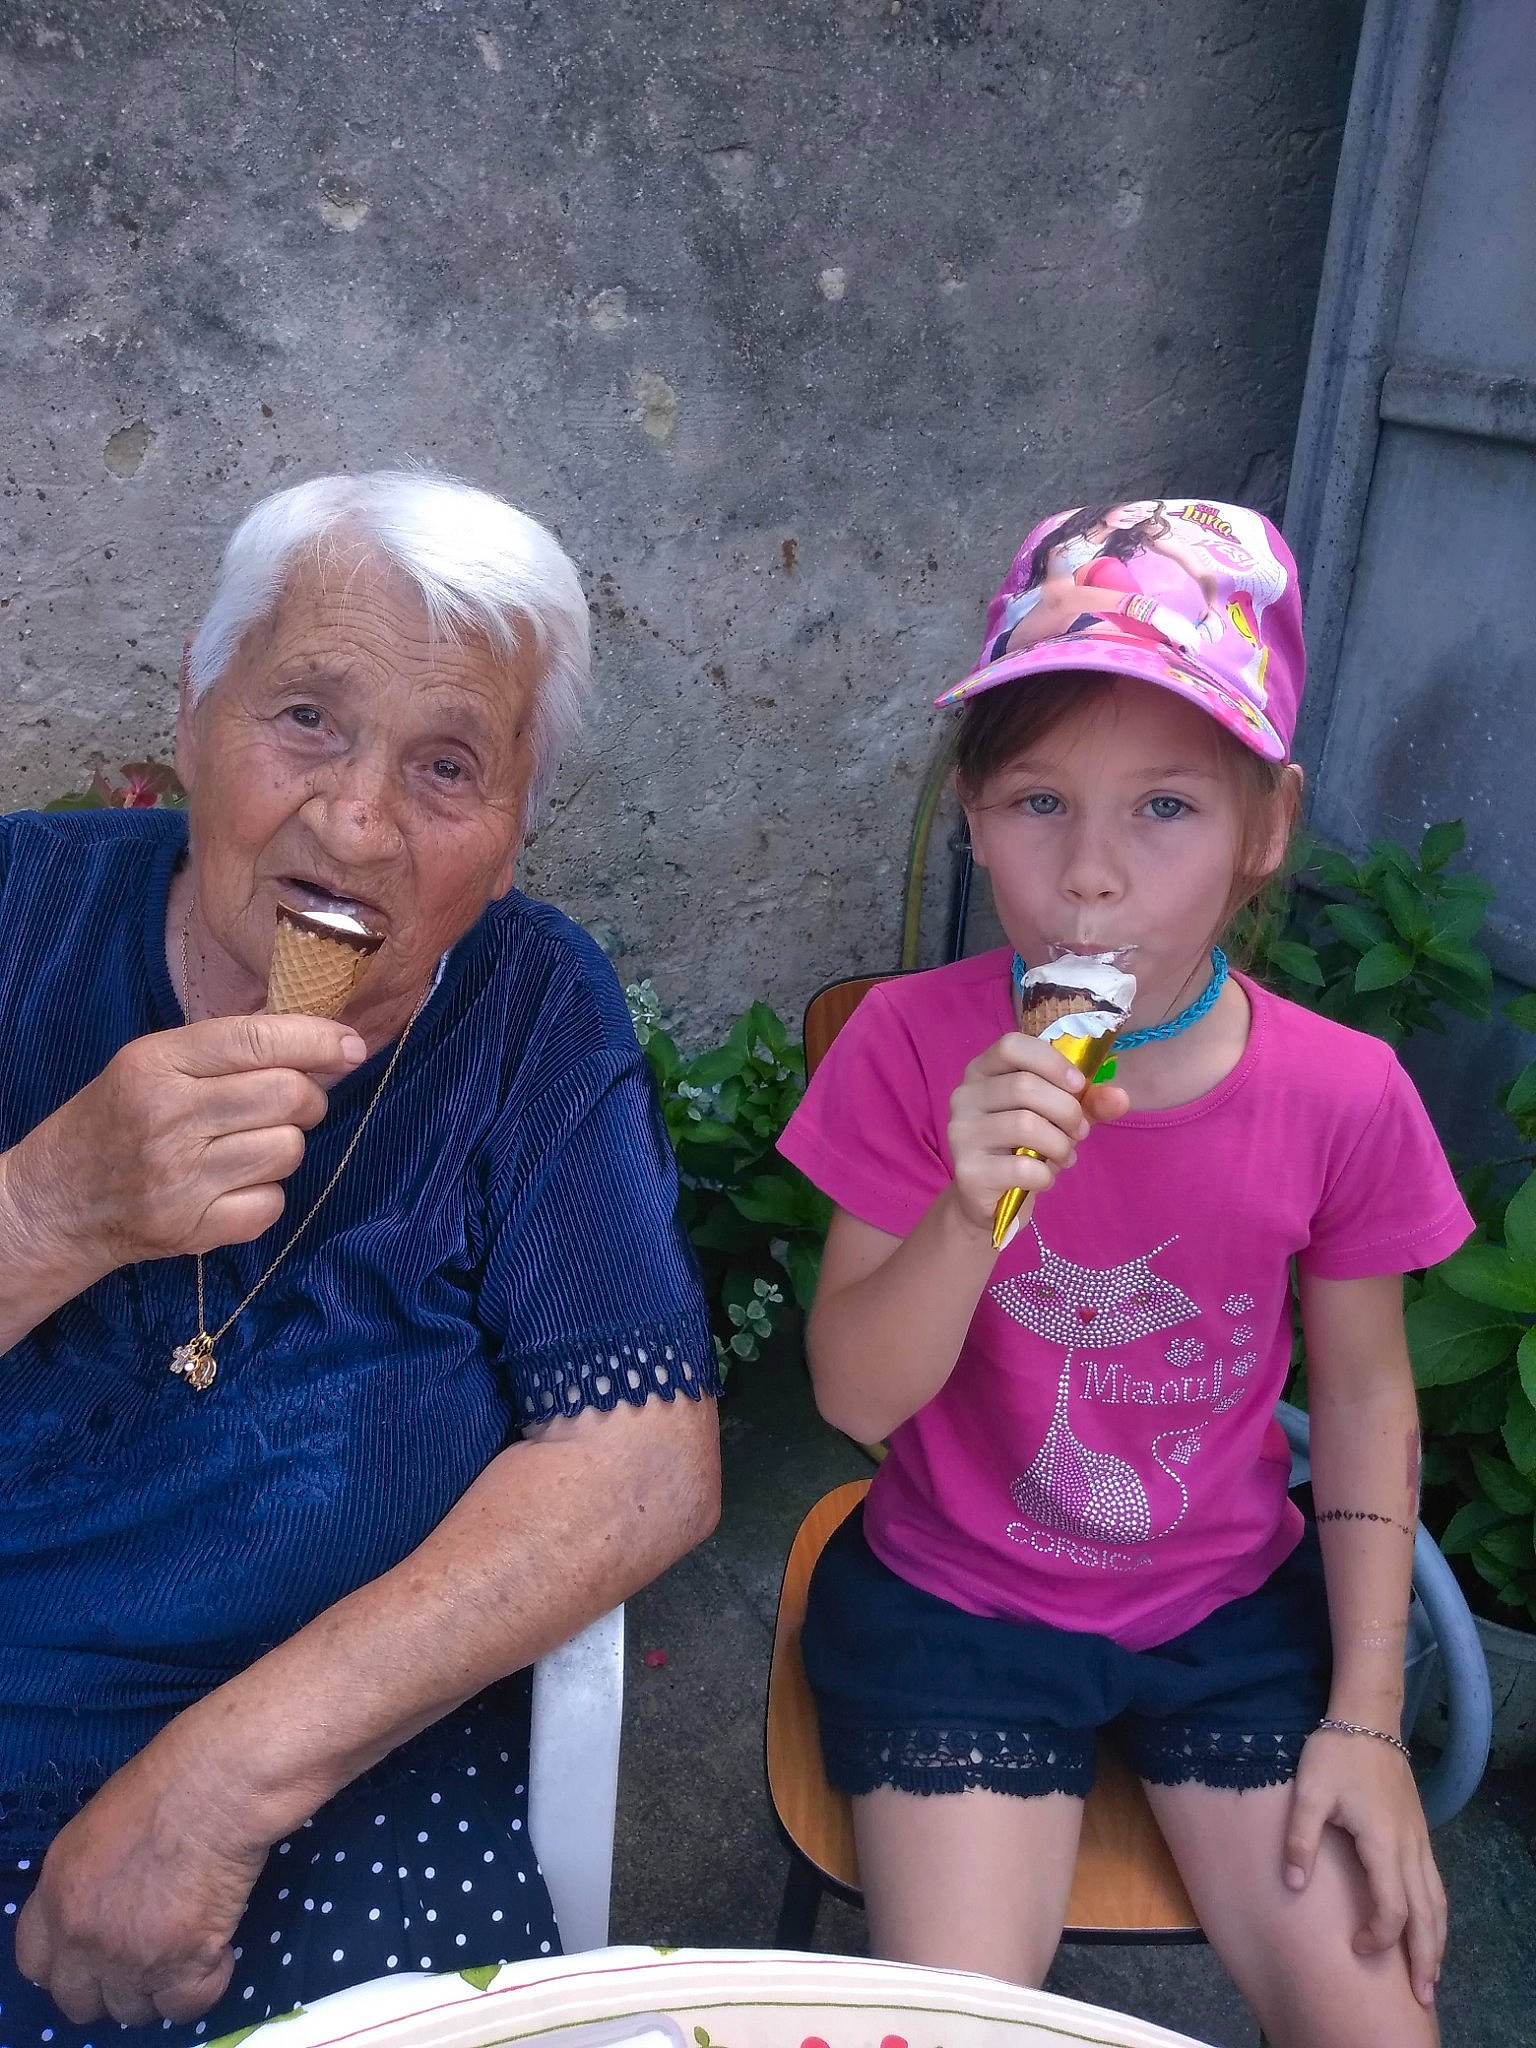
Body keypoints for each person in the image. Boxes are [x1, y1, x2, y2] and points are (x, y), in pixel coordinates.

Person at [0, 472, 721, 2047]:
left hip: (335, 1796)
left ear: (516, 832)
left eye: (448, 765)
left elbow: (645, 1460)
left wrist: (219, 1783)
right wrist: (49, 1213)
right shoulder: (16, 914)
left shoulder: (523, 1009)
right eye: (307, 718)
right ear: (192, 712)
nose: (356, 820)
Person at [778, 497, 1469, 2047]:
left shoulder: (1343, 1094)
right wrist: (970, 1213)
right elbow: (851, 1396)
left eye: (1166, 809)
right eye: (1038, 803)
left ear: (1265, 830)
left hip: (1229, 1608)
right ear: (972, 816)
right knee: (951, 2027)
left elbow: (1363, 1401)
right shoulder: (909, 1046)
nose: (1091, 878)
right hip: (955, 1595)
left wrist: (1366, 1716)